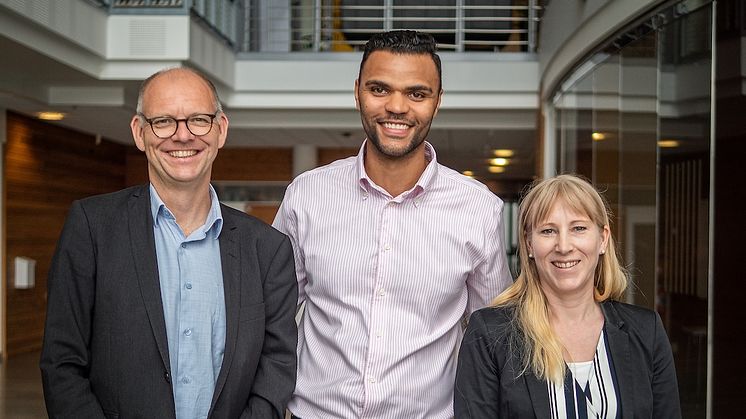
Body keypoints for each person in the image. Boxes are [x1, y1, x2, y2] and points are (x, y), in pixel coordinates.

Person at [272, 30, 513, 418]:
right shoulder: (306, 196)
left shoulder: (478, 209)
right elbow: (271, 318)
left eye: (417, 93)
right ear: (357, 92)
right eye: (380, 89)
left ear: (437, 102)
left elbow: (496, 336)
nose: (397, 107)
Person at [40, 67, 298, 419]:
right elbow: (62, 362)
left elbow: (276, 366)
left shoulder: (267, 248)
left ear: (220, 129)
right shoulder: (92, 227)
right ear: (139, 132)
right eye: (163, 121)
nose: (182, 136)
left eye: (198, 120)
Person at [454, 174, 681, 418]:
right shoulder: (489, 334)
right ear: (529, 244)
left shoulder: (647, 331)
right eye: (548, 231)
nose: (563, 246)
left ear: (603, 239)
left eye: (579, 228)